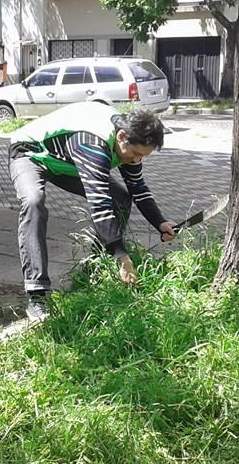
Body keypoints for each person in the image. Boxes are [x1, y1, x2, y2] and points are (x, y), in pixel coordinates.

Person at [9, 101, 176, 321]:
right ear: (121, 137)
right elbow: (99, 205)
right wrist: (123, 258)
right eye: (135, 153)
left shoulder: (129, 139)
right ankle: (37, 295)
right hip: (31, 153)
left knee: (121, 198)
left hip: (66, 163)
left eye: (143, 156)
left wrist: (160, 222)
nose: (136, 160)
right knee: (34, 201)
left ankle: (95, 267)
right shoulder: (92, 144)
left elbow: (137, 187)